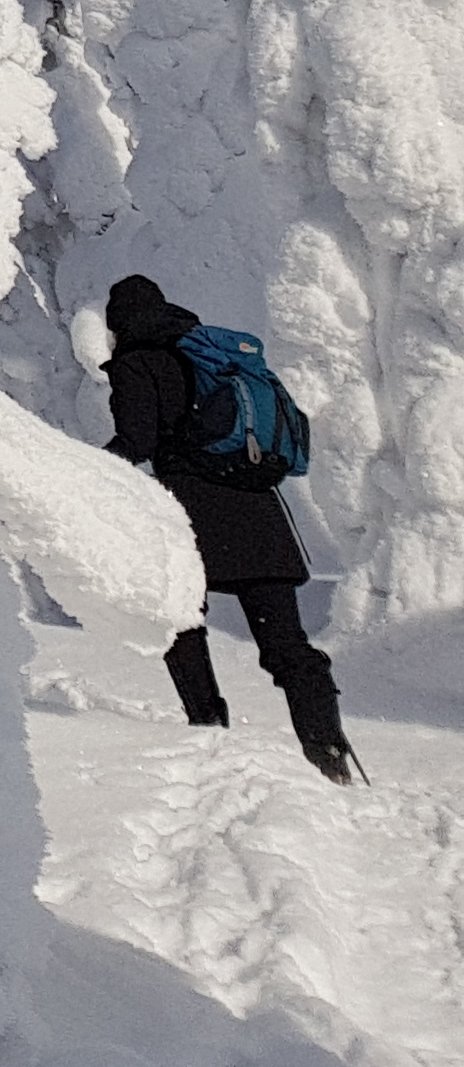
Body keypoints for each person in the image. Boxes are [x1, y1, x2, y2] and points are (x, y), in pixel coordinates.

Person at [102, 274, 358, 782]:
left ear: (119, 323)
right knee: (287, 646)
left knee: (181, 619)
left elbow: (136, 442)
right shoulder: (213, 356)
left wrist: (78, 468)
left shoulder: (138, 362)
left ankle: (207, 726)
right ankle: (328, 747)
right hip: (260, 517)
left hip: (193, 520)